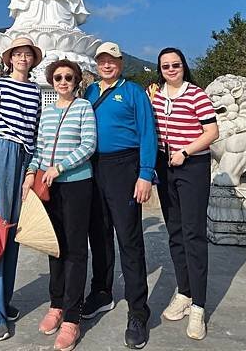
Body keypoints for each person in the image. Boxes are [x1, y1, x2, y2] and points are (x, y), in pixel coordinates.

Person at [82, 42, 157, 350]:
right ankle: (101, 290)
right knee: (98, 234)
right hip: (92, 166)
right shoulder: (88, 92)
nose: (107, 64)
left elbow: (148, 132)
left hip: (125, 166)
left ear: (121, 62)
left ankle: (138, 311)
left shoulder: (135, 92)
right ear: (97, 63)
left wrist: (145, 173)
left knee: (129, 239)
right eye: (102, 60)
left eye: (112, 60)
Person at [23, 59, 96, 351]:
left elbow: (89, 144)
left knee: (76, 250)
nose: (63, 82)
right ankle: (56, 304)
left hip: (77, 183)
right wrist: (31, 172)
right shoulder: (48, 111)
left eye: (68, 77)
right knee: (54, 246)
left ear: (77, 81)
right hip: (48, 186)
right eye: (57, 78)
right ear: (51, 81)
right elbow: (40, 148)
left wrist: (60, 167)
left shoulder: (83, 108)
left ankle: (72, 317)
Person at [147, 47, 218, 341]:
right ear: (160, 69)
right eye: (165, 66)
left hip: (192, 166)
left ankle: (199, 305)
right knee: (175, 232)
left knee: (193, 234)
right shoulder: (157, 96)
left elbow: (212, 131)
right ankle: (184, 291)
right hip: (165, 168)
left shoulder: (196, 94)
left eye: (176, 64)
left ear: (183, 66)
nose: (171, 69)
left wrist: (186, 151)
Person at [0, 36, 42, 341]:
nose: (23, 58)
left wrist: (31, 169)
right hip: (1, 152)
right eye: (18, 54)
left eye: (28, 55)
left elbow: (37, 132)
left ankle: (2, 301)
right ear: (9, 58)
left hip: (24, 155)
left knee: (12, 233)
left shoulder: (36, 91)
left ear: (33, 60)